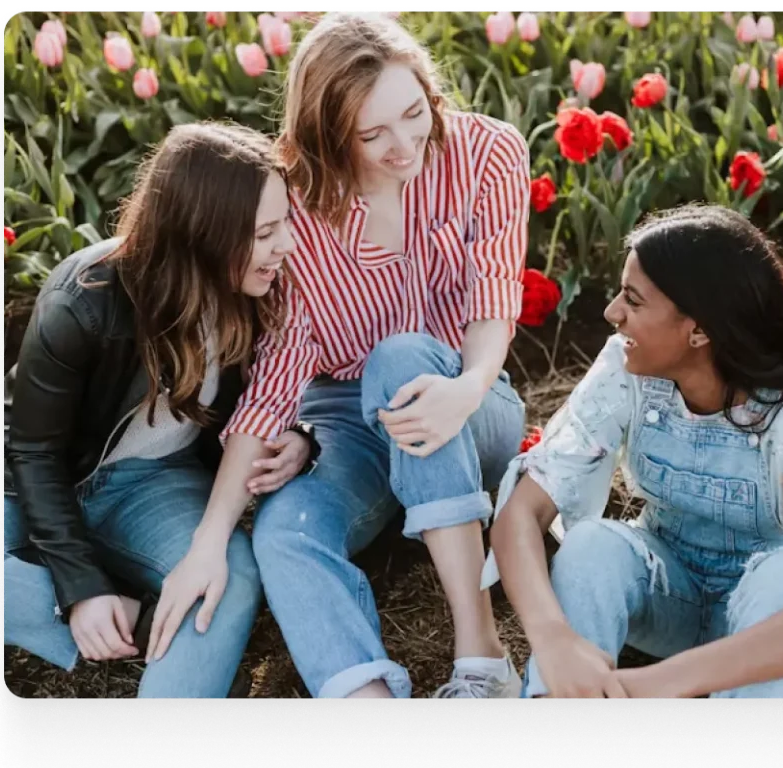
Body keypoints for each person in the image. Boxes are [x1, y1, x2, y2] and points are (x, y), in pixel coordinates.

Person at [190, 11, 530, 699]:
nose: (404, 145)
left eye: (413, 114)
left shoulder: (488, 153)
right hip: (347, 418)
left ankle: (482, 658)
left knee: (402, 359)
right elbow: (276, 382)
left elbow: (495, 302)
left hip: (469, 396)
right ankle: (365, 701)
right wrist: (210, 537)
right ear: (326, 135)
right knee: (286, 533)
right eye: (372, 134)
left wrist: (466, 388)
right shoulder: (297, 206)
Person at [485, 203, 783, 699]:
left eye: (634, 301)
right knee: (591, 545)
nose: (611, 312)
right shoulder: (626, 370)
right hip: (670, 594)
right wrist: (553, 638)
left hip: (765, 627)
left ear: (700, 329)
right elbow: (520, 513)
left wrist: (660, 684)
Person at [2, 121, 309, 699]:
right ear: (204, 236)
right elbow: (33, 452)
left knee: (230, 578)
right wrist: (80, 590)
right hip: (29, 483)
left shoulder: (262, 289)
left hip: (150, 482)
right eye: (266, 232)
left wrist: (303, 436)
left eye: (284, 223)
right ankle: (126, 613)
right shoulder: (82, 302)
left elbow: (289, 383)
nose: (286, 245)